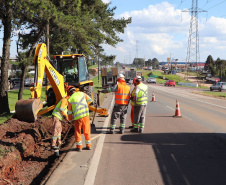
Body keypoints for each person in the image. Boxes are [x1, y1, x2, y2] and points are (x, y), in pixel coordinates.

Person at [67, 86, 92, 151]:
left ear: (69, 92)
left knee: (78, 131)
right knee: (87, 130)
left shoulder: (70, 99)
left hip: (77, 118)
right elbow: (90, 100)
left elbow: (69, 111)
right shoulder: (82, 93)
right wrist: (85, 105)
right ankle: (88, 146)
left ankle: (79, 147)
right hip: (85, 115)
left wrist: (70, 119)